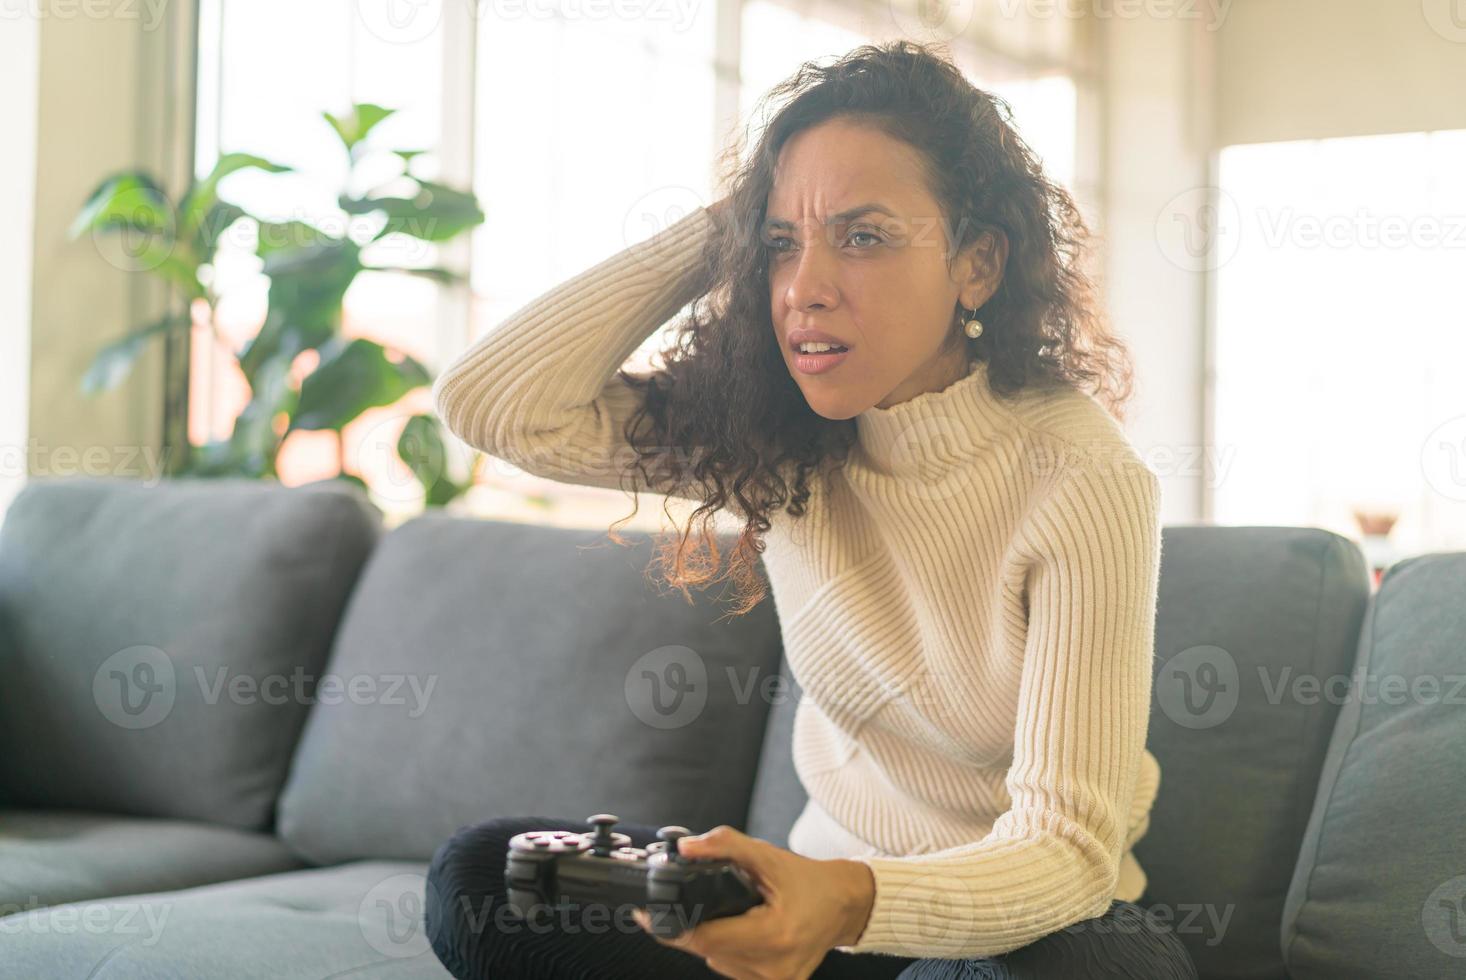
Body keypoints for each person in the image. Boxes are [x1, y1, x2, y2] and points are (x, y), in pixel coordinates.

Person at [426, 38, 1197, 980]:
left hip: (1010, 925)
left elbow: (1069, 851)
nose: (804, 290)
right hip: (816, 912)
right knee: (485, 877)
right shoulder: (777, 431)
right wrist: (734, 227)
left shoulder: (1082, 479)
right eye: (782, 248)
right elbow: (497, 406)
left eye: (863, 237)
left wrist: (847, 900)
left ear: (978, 265)